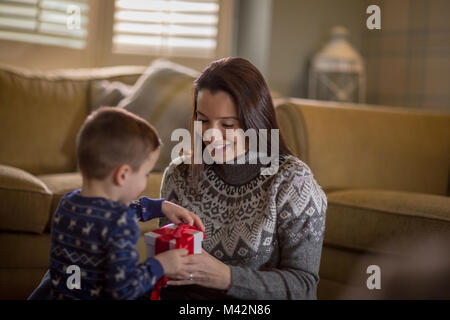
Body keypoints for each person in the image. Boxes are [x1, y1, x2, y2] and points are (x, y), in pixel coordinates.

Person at [158, 57, 328, 300]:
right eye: (203, 120)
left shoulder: (293, 182)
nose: (212, 136)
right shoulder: (178, 175)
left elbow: (304, 286)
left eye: (227, 124)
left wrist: (226, 277)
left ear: (255, 122)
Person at [29, 107, 204, 300]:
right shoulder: (120, 222)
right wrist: (161, 264)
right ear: (122, 175)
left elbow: (103, 218)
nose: (146, 180)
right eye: (145, 174)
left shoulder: (67, 204)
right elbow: (123, 291)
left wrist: (159, 206)